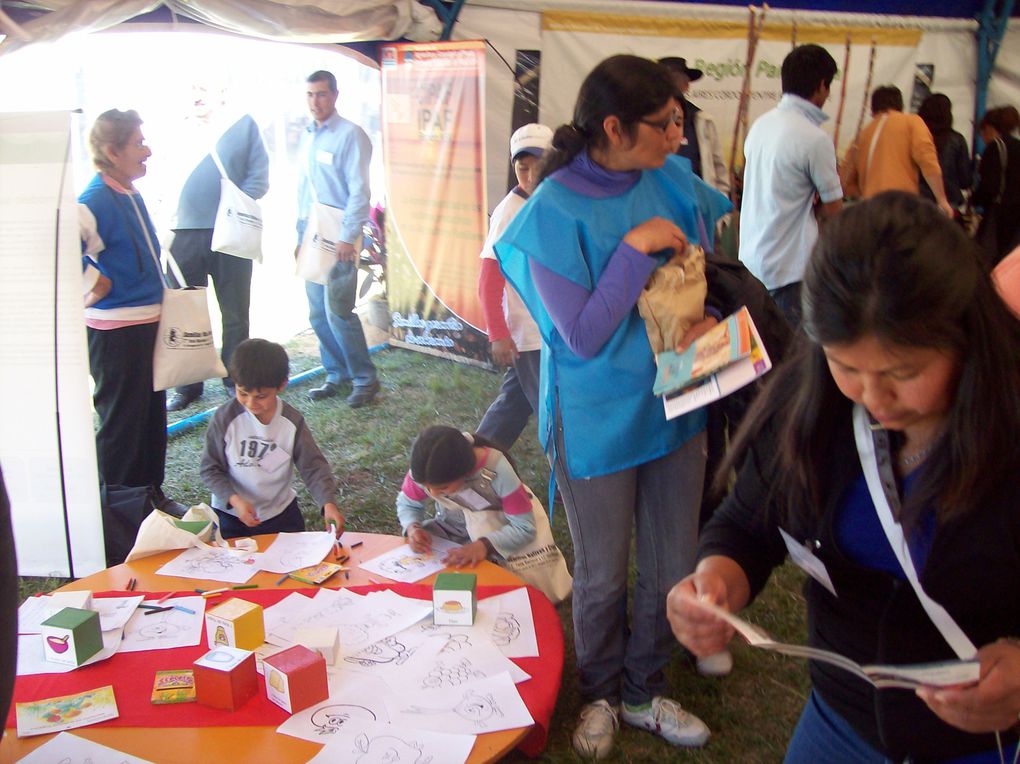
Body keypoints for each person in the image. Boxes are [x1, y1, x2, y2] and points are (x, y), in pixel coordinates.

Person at [667, 192, 1020, 762]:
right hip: (839, 725)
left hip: (985, 743)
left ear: (964, 340)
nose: (874, 397)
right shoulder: (810, 408)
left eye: (905, 373)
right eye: (847, 366)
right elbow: (747, 525)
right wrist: (715, 580)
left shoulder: (1007, 430)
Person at [495, 54, 713, 759]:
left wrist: (705, 313)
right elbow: (583, 337)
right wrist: (633, 248)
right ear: (614, 128)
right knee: (599, 571)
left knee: (672, 561)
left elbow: (703, 263)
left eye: (680, 121)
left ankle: (646, 688)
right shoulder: (551, 211)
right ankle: (599, 692)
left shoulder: (672, 178)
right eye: (664, 124)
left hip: (678, 402)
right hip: (595, 418)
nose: (677, 137)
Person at [79, 108, 184, 516]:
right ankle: (119, 508)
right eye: (138, 143)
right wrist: (93, 281)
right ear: (111, 150)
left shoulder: (127, 191)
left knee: (150, 416)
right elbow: (58, 253)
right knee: (122, 422)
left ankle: (149, 494)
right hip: (115, 333)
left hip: (149, 325)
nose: (147, 150)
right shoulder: (92, 201)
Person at [165, 107, 270, 412]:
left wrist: (233, 207)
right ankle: (188, 385)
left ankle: (234, 381)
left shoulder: (244, 123)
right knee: (185, 314)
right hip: (181, 232)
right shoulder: (172, 120)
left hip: (232, 233)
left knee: (236, 312)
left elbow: (259, 178)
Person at [739, 44, 844, 327]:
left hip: (752, 265)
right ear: (822, 86)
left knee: (761, 357)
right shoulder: (815, 139)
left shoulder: (760, 126)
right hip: (790, 272)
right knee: (793, 359)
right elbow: (835, 211)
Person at [200, 338, 343, 539]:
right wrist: (235, 501)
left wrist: (328, 503)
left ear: (282, 385)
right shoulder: (224, 419)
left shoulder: (291, 422)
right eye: (243, 393)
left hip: (281, 515)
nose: (251, 403)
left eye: (261, 396)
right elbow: (210, 469)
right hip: (232, 517)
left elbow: (313, 466)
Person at [298, 70, 380, 408]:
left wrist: (349, 237)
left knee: (338, 310)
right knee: (317, 311)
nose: (315, 102)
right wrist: (298, 233)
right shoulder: (308, 134)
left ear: (334, 95)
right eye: (310, 95)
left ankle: (365, 378)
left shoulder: (350, 135)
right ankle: (336, 373)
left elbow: (360, 191)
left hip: (340, 235)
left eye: (321, 94)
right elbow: (303, 189)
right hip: (312, 232)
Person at [476, 123, 552, 449]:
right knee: (552, 410)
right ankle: (569, 480)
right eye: (523, 168)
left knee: (514, 402)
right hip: (531, 333)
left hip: (549, 328)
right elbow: (489, 279)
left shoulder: (553, 201)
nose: (531, 175)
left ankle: (476, 459)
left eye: (540, 166)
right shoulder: (510, 212)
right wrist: (498, 333)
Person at [840, 85, 953, 216]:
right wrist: (942, 200)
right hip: (902, 208)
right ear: (900, 106)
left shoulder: (861, 135)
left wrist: (866, 193)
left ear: (872, 110)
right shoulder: (912, 123)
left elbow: (845, 181)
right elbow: (928, 162)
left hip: (870, 211)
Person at [659, 56, 730, 195]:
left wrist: (720, 211)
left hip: (699, 208)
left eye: (676, 78)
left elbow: (718, 168)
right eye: (667, 79)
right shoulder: (644, 122)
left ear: (686, 84)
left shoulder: (702, 120)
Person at [973, 106, 1020, 264]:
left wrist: (974, 200)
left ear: (990, 128)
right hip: (1016, 217)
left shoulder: (995, 148)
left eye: (983, 132)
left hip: (999, 214)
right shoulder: (1017, 145)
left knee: (986, 259)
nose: (983, 138)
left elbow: (989, 187)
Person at [918, 93, 973, 213]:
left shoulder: (915, 138)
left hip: (917, 202)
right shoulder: (957, 140)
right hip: (949, 204)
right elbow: (965, 181)